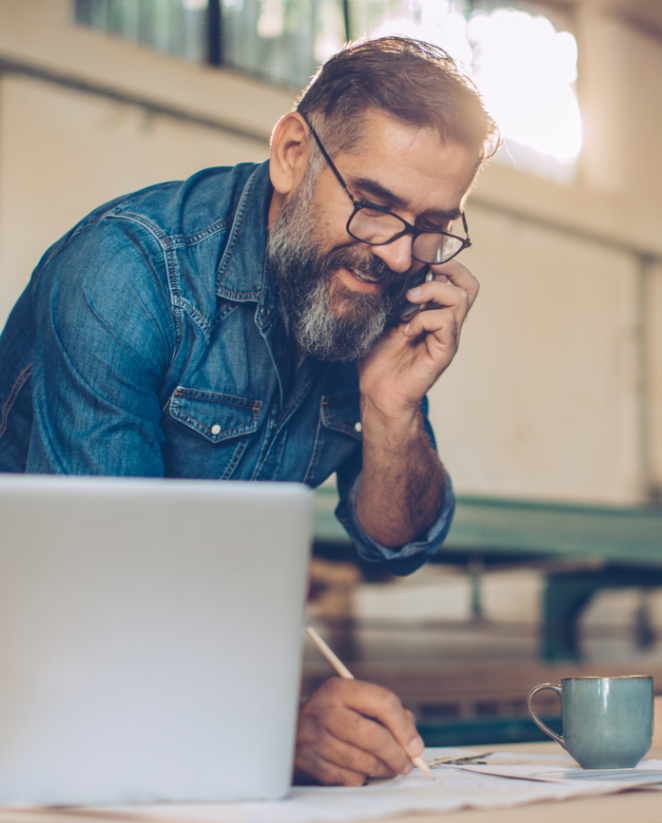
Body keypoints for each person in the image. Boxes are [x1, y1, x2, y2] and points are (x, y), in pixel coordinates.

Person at [0, 37, 497, 785]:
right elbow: (99, 594)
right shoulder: (129, 273)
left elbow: (397, 545)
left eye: (431, 224)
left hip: (166, 688)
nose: (399, 256)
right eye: (374, 205)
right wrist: (279, 724)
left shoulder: (381, 290)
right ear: (293, 153)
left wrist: (393, 409)